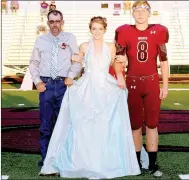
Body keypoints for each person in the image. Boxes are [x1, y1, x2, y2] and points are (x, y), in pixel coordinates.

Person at [39, 16, 141, 179]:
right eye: (94, 28)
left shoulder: (111, 46)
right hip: (87, 86)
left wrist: (120, 75)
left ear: (105, 30)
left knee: (106, 124)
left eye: (100, 29)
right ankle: (83, 161)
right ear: (90, 29)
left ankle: (106, 161)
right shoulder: (84, 46)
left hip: (106, 85)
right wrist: (73, 67)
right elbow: (77, 63)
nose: (97, 32)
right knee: (84, 123)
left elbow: (116, 64)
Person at [113, 0, 169, 177]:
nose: (140, 13)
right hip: (133, 83)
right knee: (135, 125)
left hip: (152, 83)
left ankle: (153, 163)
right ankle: (136, 163)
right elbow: (118, 59)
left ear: (149, 13)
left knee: (152, 124)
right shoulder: (124, 31)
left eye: (144, 9)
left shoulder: (159, 31)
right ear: (132, 13)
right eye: (136, 10)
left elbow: (164, 60)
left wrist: (165, 85)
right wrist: (121, 76)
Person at [29, 9, 82, 168]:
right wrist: (37, 81)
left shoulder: (70, 38)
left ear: (62, 22)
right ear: (48, 23)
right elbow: (33, 63)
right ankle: (47, 160)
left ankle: (62, 158)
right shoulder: (40, 40)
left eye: (57, 21)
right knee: (45, 126)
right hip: (45, 86)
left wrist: (71, 76)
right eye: (51, 22)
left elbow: (78, 61)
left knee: (64, 124)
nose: (54, 25)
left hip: (63, 85)